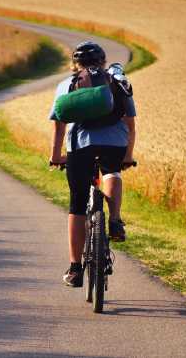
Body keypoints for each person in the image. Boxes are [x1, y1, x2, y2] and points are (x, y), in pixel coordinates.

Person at [48, 41, 136, 287]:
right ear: (103, 61)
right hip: (114, 143)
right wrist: (127, 155)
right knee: (112, 172)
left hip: (80, 146)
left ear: (76, 63)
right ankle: (115, 220)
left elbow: (59, 123)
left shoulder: (66, 84)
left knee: (77, 204)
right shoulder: (117, 80)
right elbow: (130, 123)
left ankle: (75, 269)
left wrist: (56, 156)